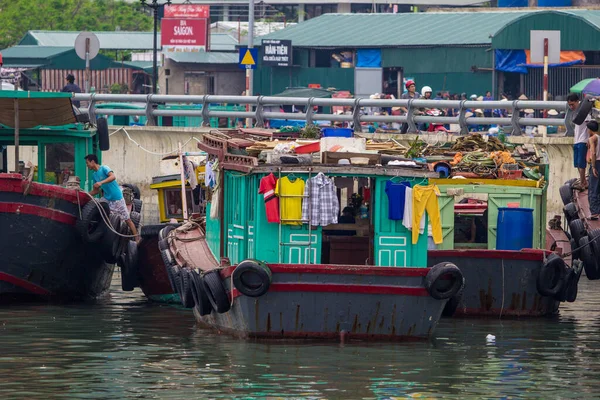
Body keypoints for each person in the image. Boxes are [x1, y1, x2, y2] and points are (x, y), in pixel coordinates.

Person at [85, 154, 140, 243]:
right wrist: (85, 194)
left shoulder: (104, 168)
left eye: (87, 163)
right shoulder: (94, 175)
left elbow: (113, 177)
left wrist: (101, 183)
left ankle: (137, 238)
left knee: (127, 220)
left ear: (92, 162)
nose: (87, 165)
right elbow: (95, 191)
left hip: (117, 197)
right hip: (106, 198)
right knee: (98, 210)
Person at [567, 93, 592, 190]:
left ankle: (583, 183)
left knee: (581, 163)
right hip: (576, 140)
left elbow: (589, 126)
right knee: (577, 163)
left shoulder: (585, 113)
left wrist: (589, 139)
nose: (571, 106)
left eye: (572, 104)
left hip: (583, 140)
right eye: (569, 105)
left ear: (578, 102)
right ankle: (583, 181)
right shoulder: (576, 114)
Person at [587, 121, 600, 220]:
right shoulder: (599, 137)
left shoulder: (592, 139)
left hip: (597, 163)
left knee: (593, 188)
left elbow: (593, 153)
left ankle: (594, 212)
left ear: (590, 130)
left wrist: (593, 166)